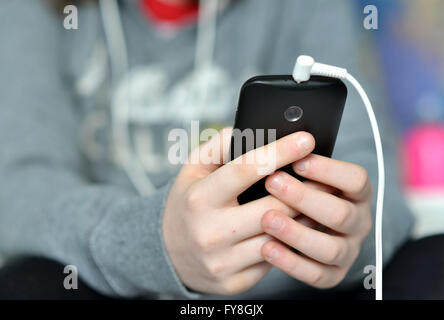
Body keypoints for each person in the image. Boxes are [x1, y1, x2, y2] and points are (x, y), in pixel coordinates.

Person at [0, 0, 414, 299]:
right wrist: (156, 244)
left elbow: (374, 174)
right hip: (113, 284)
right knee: (27, 282)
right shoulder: (38, 11)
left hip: (286, 287)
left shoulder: (303, 7)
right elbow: (23, 190)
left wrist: (346, 239)